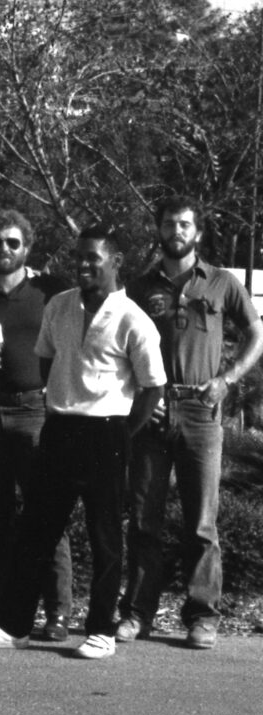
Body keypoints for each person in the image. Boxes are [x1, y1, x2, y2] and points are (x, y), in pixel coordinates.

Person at [0, 224, 166, 660]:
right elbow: (45, 359)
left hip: (108, 433)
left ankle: (101, 631)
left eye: (94, 257)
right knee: (36, 530)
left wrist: (125, 433)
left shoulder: (134, 318)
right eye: (79, 257)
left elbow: (152, 386)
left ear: (115, 262)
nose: (84, 264)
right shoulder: (58, 306)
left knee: (105, 535)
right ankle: (13, 625)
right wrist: (62, 403)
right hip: (58, 428)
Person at [119, 196, 263, 650]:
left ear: (197, 232)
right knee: (144, 518)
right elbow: (120, 345)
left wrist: (227, 380)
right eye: (168, 224)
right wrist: (140, 396)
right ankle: (137, 613)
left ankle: (202, 616)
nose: (176, 231)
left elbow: (256, 335)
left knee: (201, 522)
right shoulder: (140, 287)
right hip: (153, 411)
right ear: (158, 230)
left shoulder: (221, 283)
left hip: (203, 409)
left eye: (184, 225)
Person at [0, 209, 74, 639]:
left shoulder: (49, 293)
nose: (4, 250)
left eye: (13, 242)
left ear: (27, 247)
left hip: (36, 411)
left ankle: (57, 612)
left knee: (46, 510)